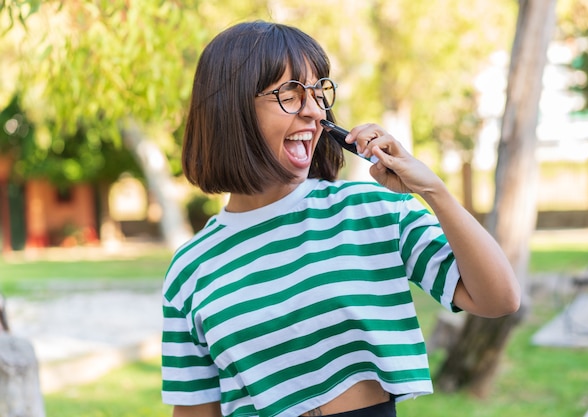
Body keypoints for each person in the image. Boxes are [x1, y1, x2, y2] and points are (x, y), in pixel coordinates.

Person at [161, 20, 520, 417]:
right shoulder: (191, 268)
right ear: (232, 109)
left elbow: (499, 299)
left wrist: (433, 190)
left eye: (318, 93)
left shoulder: (370, 210)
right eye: (291, 95)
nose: (315, 111)